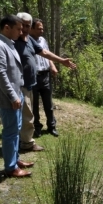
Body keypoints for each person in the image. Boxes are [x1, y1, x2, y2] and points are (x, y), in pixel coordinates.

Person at [14, 12, 76, 152]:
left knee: (29, 114)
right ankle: (25, 143)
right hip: (19, 86)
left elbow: (45, 52)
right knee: (25, 115)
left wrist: (61, 61)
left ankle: (25, 141)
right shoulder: (12, 41)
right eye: (22, 25)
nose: (24, 28)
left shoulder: (29, 40)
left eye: (27, 26)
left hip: (30, 83)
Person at [0, 15, 34, 177]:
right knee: (10, 132)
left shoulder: (9, 43)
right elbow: (1, 74)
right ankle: (11, 168)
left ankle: (15, 159)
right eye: (18, 29)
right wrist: (13, 97)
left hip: (16, 94)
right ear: (7, 27)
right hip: (8, 98)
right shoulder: (0, 45)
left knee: (17, 129)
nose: (21, 32)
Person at [30, 18, 58, 137]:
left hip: (45, 75)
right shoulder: (28, 41)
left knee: (48, 103)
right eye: (39, 28)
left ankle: (52, 126)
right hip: (33, 77)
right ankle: (37, 127)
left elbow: (47, 54)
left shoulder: (42, 40)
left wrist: (52, 66)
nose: (41, 30)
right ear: (31, 29)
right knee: (34, 105)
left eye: (42, 28)